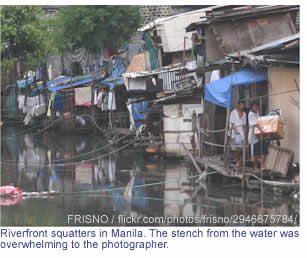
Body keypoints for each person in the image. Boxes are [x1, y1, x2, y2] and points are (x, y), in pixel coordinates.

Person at [248, 102, 269, 171]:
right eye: (254, 106)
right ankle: (256, 167)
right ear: (251, 107)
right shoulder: (250, 114)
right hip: (254, 136)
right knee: (256, 152)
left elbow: (260, 121)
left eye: (257, 106)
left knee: (264, 150)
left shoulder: (257, 113)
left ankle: (263, 165)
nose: (256, 108)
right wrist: (262, 130)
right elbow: (256, 124)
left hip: (260, 135)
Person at [230, 100, 247, 167]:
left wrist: (245, 134)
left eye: (243, 105)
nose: (242, 106)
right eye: (241, 104)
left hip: (241, 133)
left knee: (241, 149)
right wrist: (235, 129)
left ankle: (239, 161)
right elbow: (232, 122)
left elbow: (244, 125)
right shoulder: (233, 112)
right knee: (235, 148)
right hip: (234, 133)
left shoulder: (244, 114)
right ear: (238, 105)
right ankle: (237, 161)